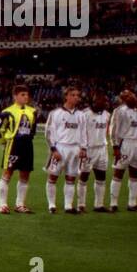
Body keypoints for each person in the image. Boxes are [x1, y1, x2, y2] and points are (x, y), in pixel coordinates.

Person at [0, 84, 37, 214]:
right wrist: (4, 142)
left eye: (27, 95)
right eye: (22, 95)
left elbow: (33, 129)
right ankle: (3, 205)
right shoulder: (8, 111)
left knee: (25, 174)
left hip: (27, 145)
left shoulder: (32, 111)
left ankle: (20, 204)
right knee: (8, 172)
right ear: (15, 96)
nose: (26, 97)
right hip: (13, 144)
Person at [44, 86, 87, 215]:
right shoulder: (55, 113)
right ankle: (51, 205)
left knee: (71, 178)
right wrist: (53, 149)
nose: (76, 97)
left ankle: (68, 206)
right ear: (66, 96)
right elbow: (48, 133)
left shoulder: (81, 115)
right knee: (53, 177)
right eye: (73, 95)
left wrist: (83, 148)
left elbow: (84, 133)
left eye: (77, 95)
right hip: (60, 148)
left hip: (75, 148)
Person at [109, 89, 137, 213]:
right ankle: (113, 203)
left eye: (129, 95)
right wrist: (115, 146)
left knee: (135, 174)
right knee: (118, 173)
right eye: (124, 97)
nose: (128, 98)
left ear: (134, 95)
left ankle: (132, 203)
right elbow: (113, 129)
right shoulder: (119, 111)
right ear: (123, 100)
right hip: (124, 143)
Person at [79, 93, 112, 213]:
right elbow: (80, 132)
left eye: (106, 101)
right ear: (95, 101)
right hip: (88, 149)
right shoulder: (85, 114)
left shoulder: (107, 114)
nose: (105, 104)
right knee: (84, 176)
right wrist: (82, 148)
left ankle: (99, 205)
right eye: (103, 101)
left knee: (101, 177)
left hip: (102, 149)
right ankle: (81, 204)